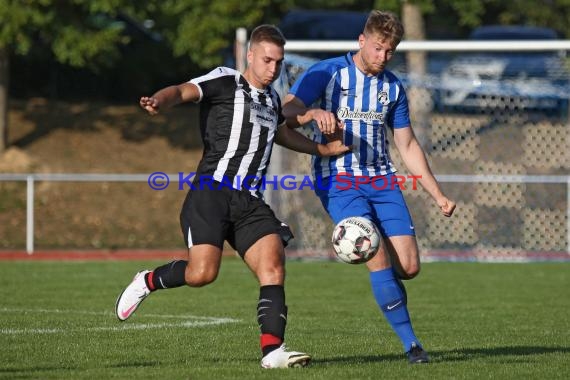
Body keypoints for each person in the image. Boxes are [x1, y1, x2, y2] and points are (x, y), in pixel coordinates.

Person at [115, 24, 349, 369]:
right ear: (249, 55)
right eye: (267, 60)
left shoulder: (271, 99)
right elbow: (182, 91)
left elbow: (280, 134)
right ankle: (148, 280)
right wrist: (159, 102)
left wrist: (322, 149)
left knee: (273, 266)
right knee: (202, 274)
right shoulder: (226, 80)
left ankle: (272, 352)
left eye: (278, 63)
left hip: (250, 201)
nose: (273, 69)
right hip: (211, 192)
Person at [282, 10, 456, 364]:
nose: (383, 57)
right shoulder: (327, 73)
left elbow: (407, 145)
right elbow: (287, 110)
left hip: (382, 180)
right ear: (362, 41)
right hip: (338, 180)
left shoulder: (392, 87)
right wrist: (312, 115)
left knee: (408, 267)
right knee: (374, 252)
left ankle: (386, 287)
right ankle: (412, 346)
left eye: (390, 51)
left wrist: (437, 193)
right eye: (378, 48)